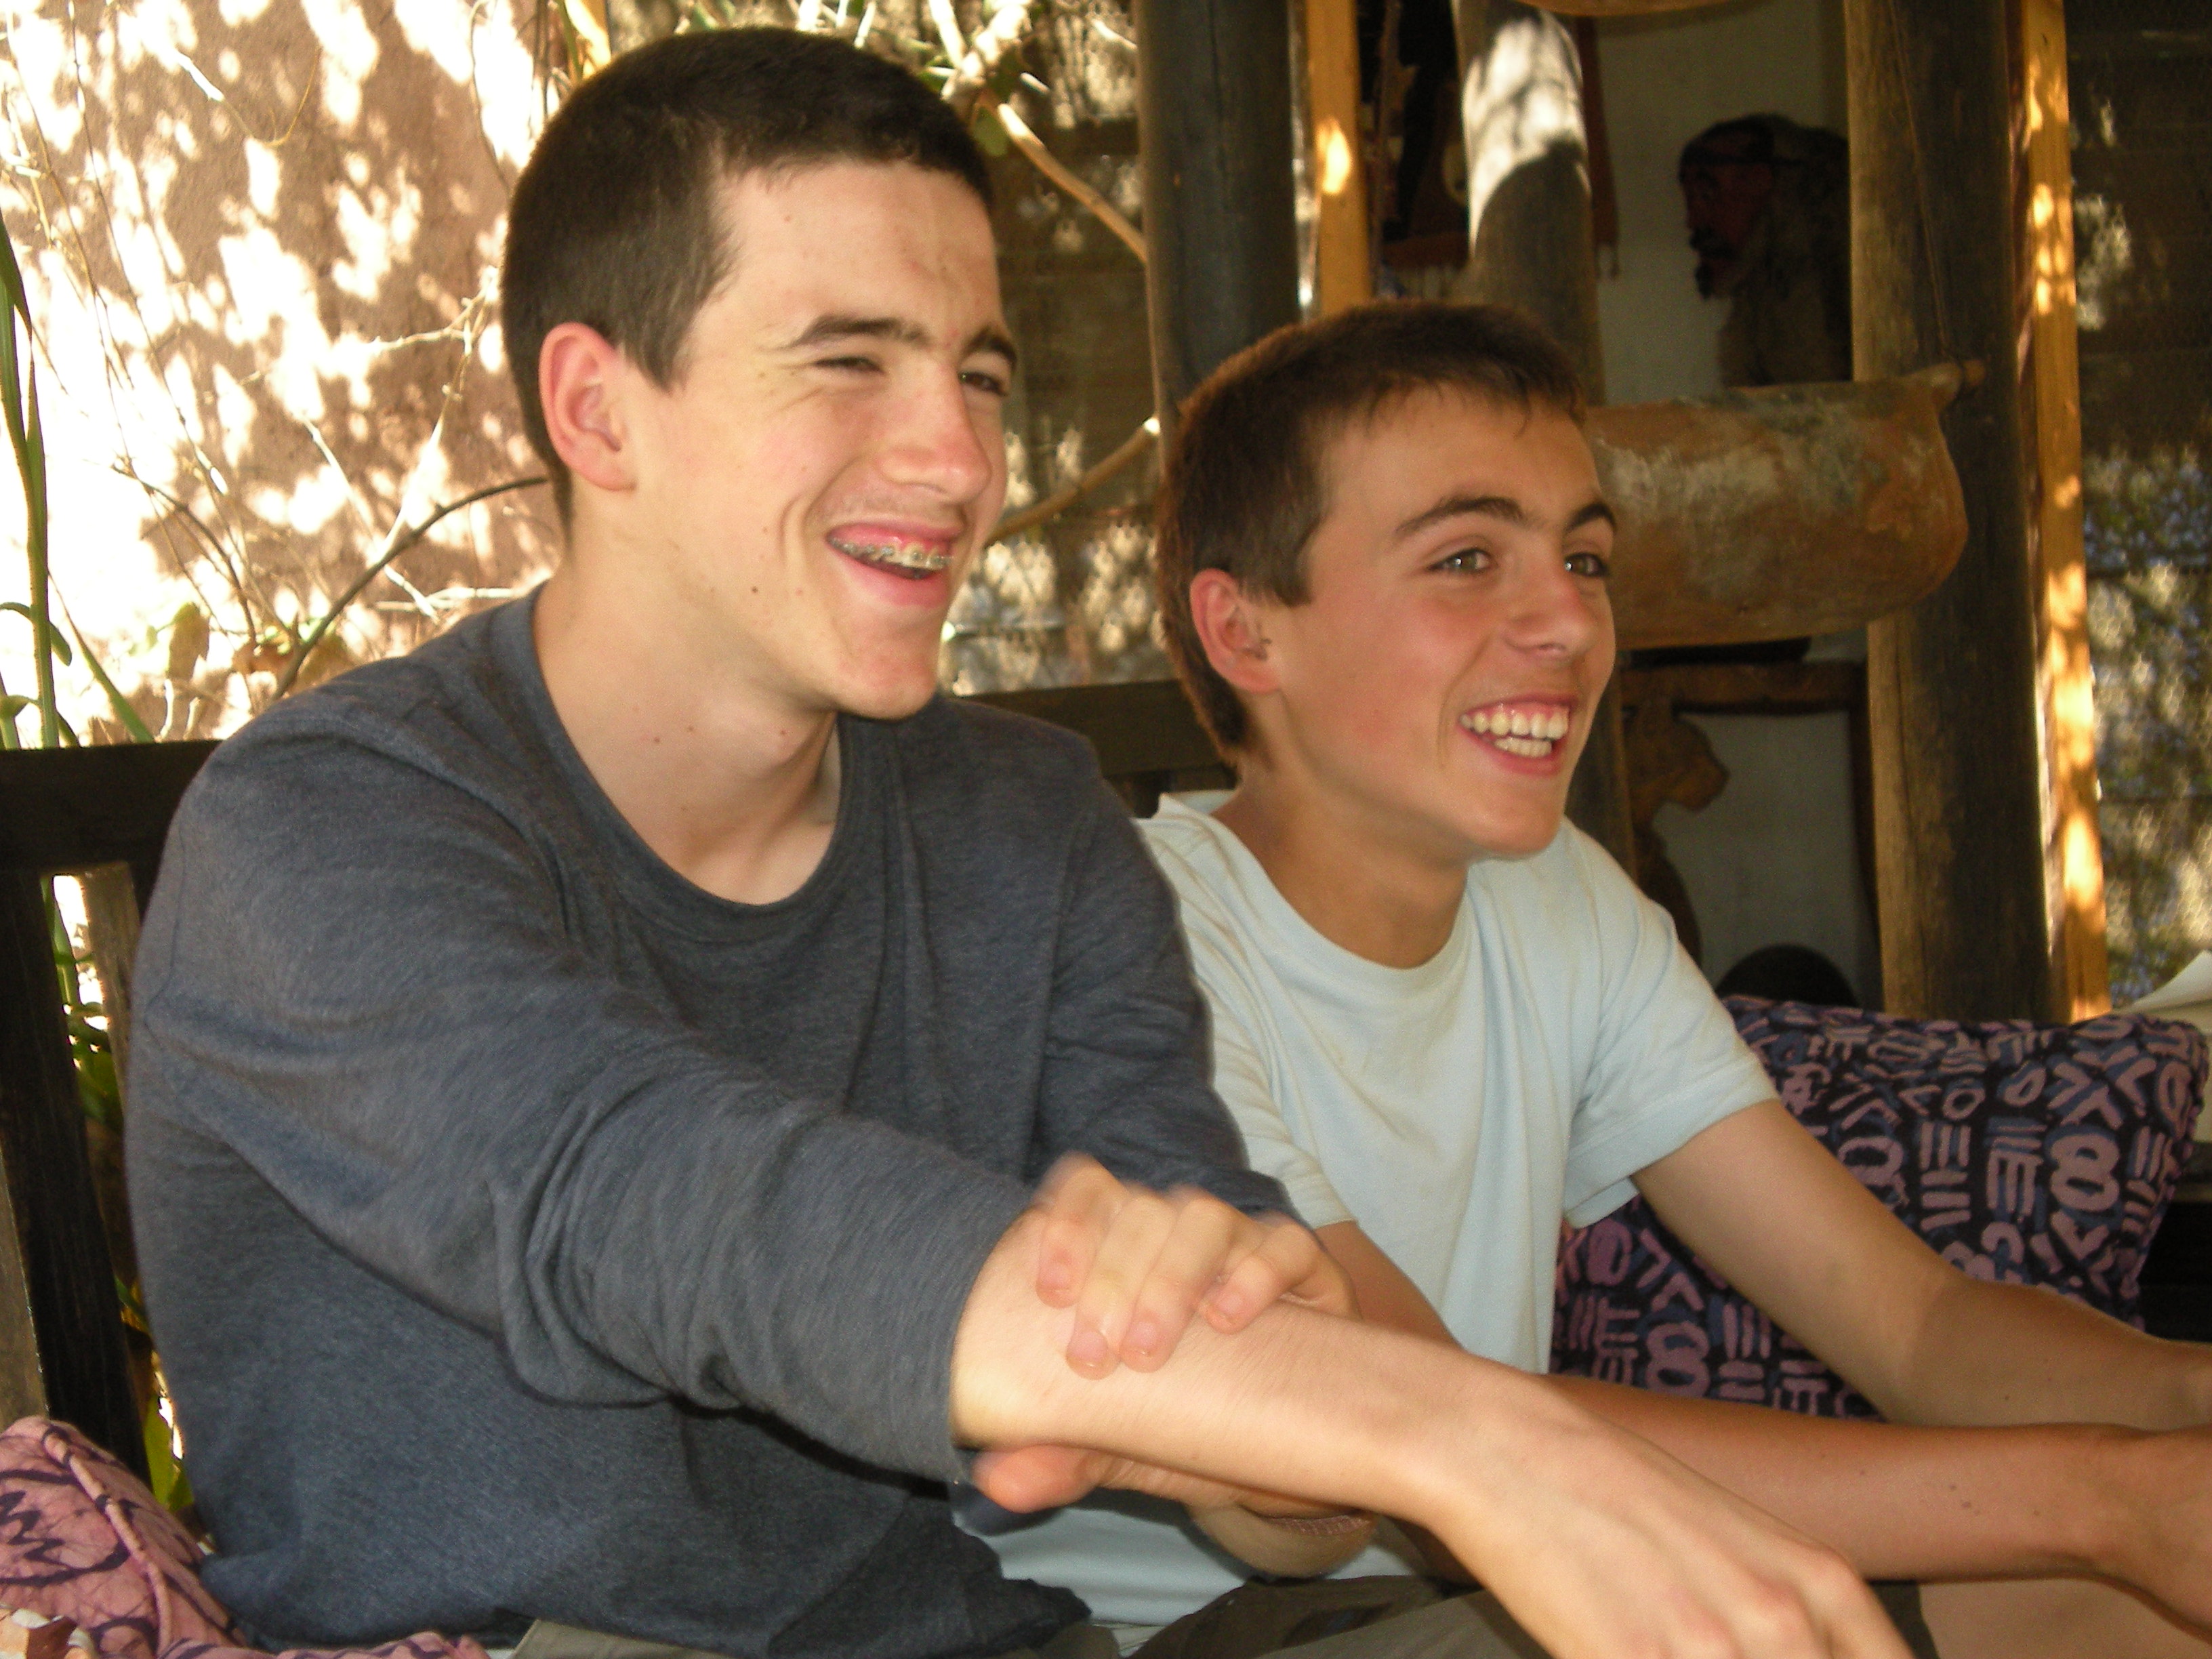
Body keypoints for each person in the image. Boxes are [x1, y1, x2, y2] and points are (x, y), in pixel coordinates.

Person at [123, 29, 1913, 1659]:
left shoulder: (1021, 818)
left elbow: (1279, 1502)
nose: (960, 460)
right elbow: (656, 1203)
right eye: (848, 363)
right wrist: (1468, 1436)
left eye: (978, 377)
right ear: (598, 410)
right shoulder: (323, 832)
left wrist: (1263, 1391)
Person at [981, 299, 2212, 1659]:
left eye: (1583, 557)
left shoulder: (1558, 901)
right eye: (1466, 558)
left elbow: (1914, 1325)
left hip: (1487, 1570)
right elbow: (1439, 1428)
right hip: (1181, 1630)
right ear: (1247, 633)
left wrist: (2180, 1412)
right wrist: (2109, 1502)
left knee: (2137, 1612)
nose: (1568, 620)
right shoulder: (1129, 935)